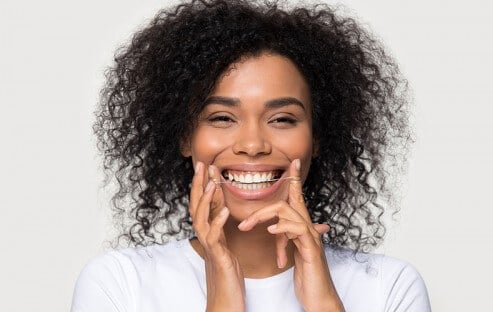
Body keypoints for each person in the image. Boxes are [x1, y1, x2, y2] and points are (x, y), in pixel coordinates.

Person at [71, 0, 431, 311]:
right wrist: (224, 301)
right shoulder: (120, 285)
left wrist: (325, 305)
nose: (253, 144)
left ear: (317, 138)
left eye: (282, 119)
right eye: (222, 118)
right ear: (185, 137)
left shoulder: (389, 287)